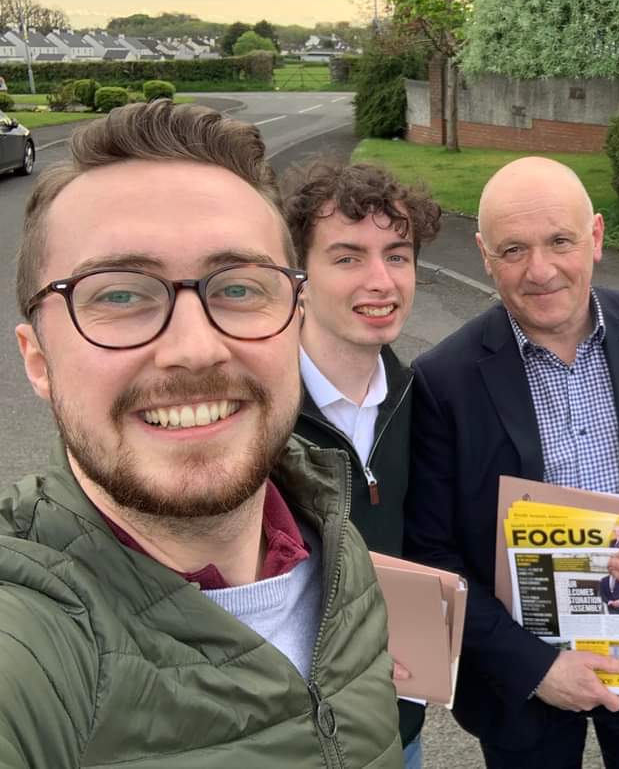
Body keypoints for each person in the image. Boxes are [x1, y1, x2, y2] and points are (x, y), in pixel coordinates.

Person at [0, 101, 401, 767]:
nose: (195, 348)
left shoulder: (335, 548)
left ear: (295, 322)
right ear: (38, 360)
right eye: (121, 294)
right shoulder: (27, 648)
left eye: (240, 288)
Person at [405, 156, 619, 769]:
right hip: (525, 673)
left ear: (595, 236)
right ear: (484, 254)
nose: (540, 271)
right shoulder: (442, 380)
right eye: (513, 250)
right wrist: (536, 667)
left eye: (560, 241)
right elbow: (433, 553)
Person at [283, 160, 442, 769]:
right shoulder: (253, 415)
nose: (381, 281)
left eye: (397, 256)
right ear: (298, 277)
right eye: (348, 257)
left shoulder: (417, 400)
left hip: (393, 726)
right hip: (286, 735)